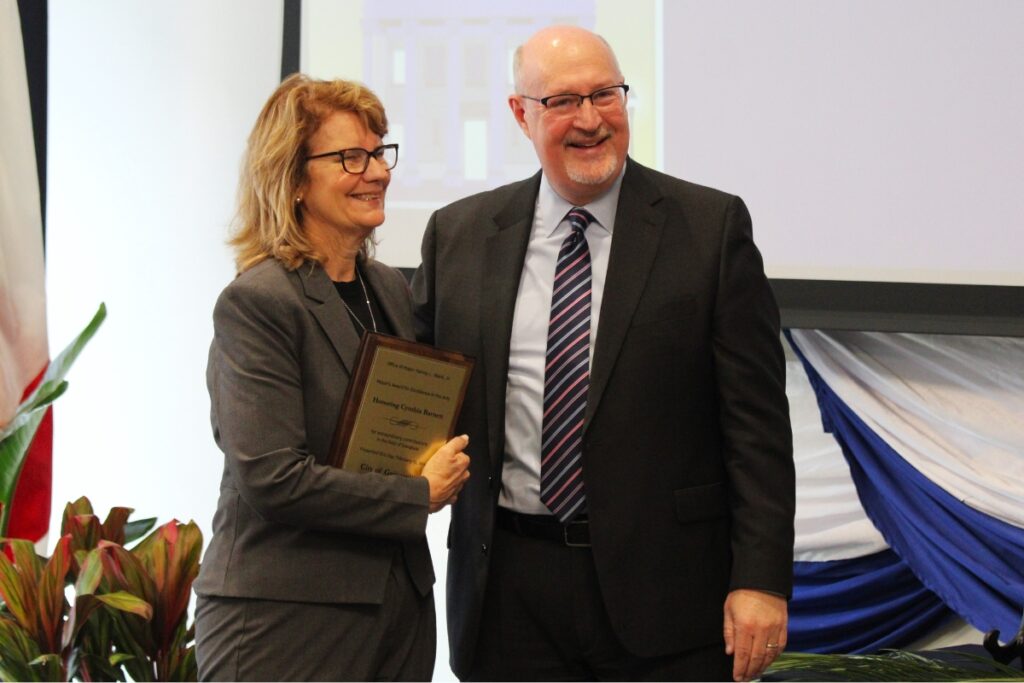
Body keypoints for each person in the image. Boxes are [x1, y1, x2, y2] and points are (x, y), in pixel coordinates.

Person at [412, 26, 794, 682]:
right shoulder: (459, 235)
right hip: (507, 590)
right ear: (520, 113)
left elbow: (757, 429)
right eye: (563, 101)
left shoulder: (709, 229)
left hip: (668, 597)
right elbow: (417, 388)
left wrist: (760, 579)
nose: (590, 119)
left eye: (606, 95)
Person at [193, 74, 470, 682]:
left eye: (379, 152)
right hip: (284, 622)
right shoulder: (258, 302)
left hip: (396, 612)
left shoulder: (390, 290)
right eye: (351, 157)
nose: (377, 172)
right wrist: (418, 495)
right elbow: (271, 477)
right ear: (292, 179)